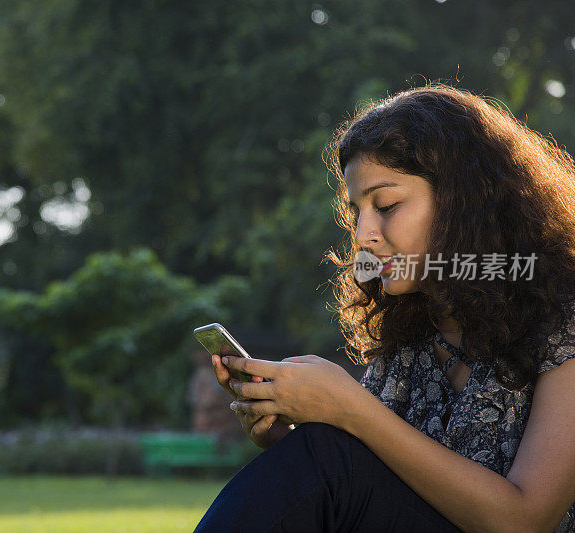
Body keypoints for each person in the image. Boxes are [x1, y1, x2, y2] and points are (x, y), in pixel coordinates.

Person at [193, 83, 575, 532]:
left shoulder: (561, 314)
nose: (362, 236)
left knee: (327, 457)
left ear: (464, 200)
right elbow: (379, 482)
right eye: (357, 211)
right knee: (321, 451)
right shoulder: (411, 332)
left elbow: (526, 521)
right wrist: (288, 437)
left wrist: (352, 411)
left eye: (387, 205)